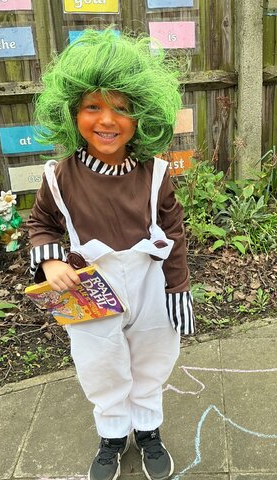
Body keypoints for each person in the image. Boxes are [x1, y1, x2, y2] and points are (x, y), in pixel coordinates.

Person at [27, 28, 195, 480]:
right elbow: (41, 223)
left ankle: (148, 428)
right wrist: (51, 260)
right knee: (99, 362)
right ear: (72, 112)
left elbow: (173, 232)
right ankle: (113, 434)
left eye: (122, 108)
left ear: (142, 115)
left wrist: (178, 288)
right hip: (90, 288)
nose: (107, 120)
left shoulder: (155, 174)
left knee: (153, 355)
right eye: (93, 107)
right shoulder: (59, 177)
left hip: (148, 283)